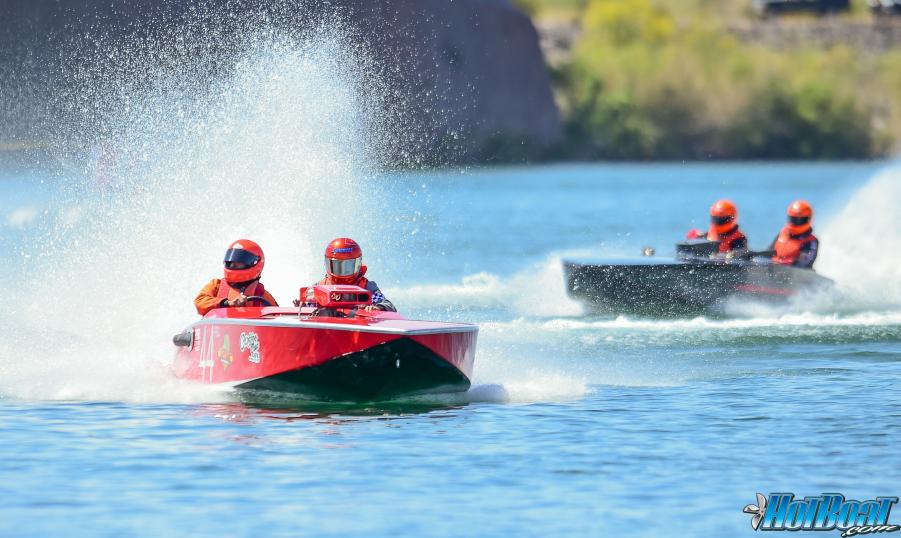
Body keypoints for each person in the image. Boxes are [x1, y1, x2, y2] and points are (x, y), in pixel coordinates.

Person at [301, 237, 396, 312]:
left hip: (357, 327)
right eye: (337, 265)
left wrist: (378, 308)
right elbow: (304, 309)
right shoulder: (319, 287)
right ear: (328, 264)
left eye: (348, 266)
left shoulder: (367, 287)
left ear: (358, 264)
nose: (342, 271)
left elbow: (389, 306)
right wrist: (300, 305)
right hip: (326, 327)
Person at [194, 239, 279, 315]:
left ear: (255, 262)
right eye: (231, 260)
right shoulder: (216, 285)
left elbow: (278, 318)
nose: (233, 263)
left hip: (249, 328)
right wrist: (227, 303)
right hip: (220, 328)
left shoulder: (263, 295)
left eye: (240, 260)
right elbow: (200, 303)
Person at [770, 200, 819, 269]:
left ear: (808, 219)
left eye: (801, 220)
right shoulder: (782, 233)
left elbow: (804, 263)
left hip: (797, 273)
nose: (796, 223)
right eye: (794, 219)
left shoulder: (811, 241)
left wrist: (781, 264)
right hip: (773, 269)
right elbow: (769, 252)